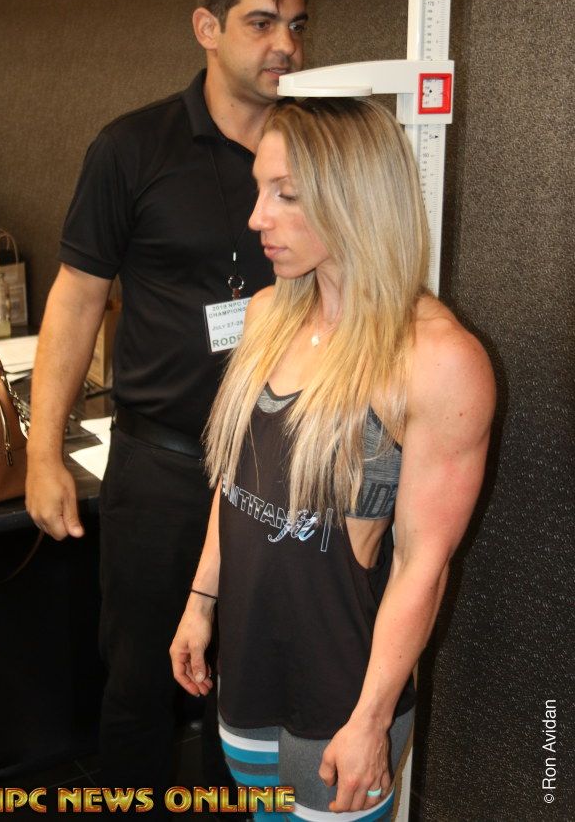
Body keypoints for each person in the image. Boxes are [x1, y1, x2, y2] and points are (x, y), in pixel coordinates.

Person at [25, 0, 311, 802]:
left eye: (297, 25)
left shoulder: (316, 150)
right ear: (206, 27)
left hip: (278, 468)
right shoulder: (132, 148)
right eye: (261, 23)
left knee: (254, 690)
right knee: (140, 685)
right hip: (163, 470)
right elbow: (77, 299)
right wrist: (42, 453)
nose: (286, 46)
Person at [170, 97, 496, 821]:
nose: (257, 217)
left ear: (354, 196)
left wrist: (371, 720)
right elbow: (236, 485)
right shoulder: (266, 316)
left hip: (343, 695)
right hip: (248, 672)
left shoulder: (435, 360)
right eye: (261, 189)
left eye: (285, 194)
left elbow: (421, 563)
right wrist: (200, 603)